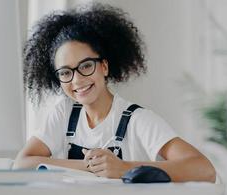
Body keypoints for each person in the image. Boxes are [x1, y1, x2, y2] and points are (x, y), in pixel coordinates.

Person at [13, 3, 216, 183]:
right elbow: (22, 163)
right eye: (66, 72)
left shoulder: (137, 120)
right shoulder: (63, 114)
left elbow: (204, 169)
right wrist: (90, 167)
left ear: (104, 67)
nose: (76, 80)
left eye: (85, 66)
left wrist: (124, 168)